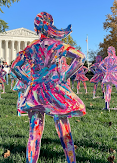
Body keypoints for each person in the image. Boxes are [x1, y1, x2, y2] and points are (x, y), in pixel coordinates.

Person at [11, 12, 86, 163]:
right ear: (50, 26)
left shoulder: (32, 47)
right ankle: (71, 161)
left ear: (36, 27)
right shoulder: (58, 45)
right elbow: (80, 57)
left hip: (36, 92)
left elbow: (14, 67)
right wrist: (66, 75)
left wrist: (28, 81)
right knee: (64, 129)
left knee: (34, 132)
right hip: (55, 89)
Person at [99, 46, 117, 111]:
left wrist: (105, 70)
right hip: (116, 75)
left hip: (109, 75)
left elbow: (100, 65)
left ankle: (107, 106)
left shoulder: (106, 59)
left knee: (108, 90)